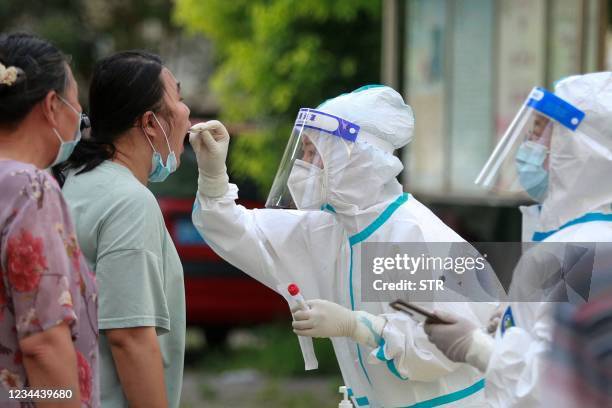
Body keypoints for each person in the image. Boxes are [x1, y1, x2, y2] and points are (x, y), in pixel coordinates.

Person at [190, 85, 495, 407]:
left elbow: (444, 346)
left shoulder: (411, 233)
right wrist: (213, 176)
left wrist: (360, 326)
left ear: (353, 156)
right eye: (303, 152)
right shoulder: (332, 228)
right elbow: (235, 230)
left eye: (312, 152)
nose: (303, 165)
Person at [424, 72, 612, 406]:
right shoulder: (573, 236)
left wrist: (478, 349)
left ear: (581, 149)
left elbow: (551, 384)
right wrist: (513, 322)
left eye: (541, 128)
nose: (529, 139)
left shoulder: (584, 248)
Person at [57, 51, 190, 408]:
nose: (186, 113)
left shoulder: (75, 179)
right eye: (178, 99)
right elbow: (130, 337)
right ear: (150, 123)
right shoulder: (129, 202)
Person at [0, 32, 98, 407]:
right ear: (52, 105)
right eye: (77, 106)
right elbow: (43, 342)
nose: (79, 120)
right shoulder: (30, 189)